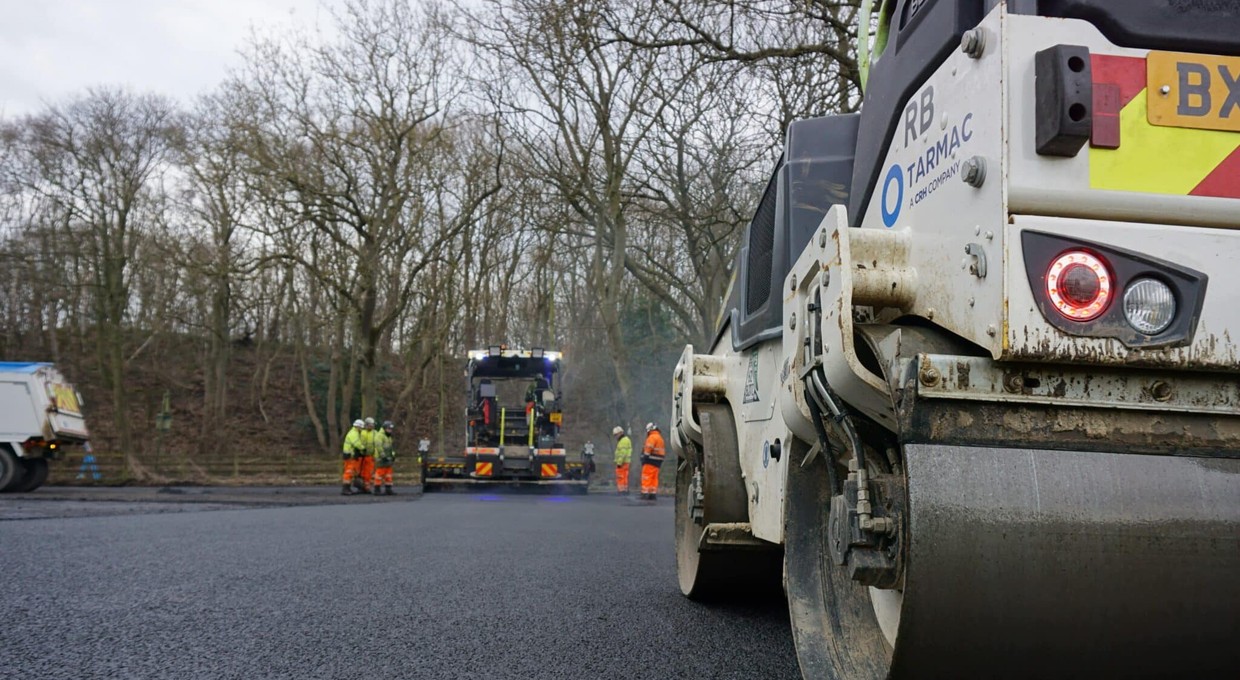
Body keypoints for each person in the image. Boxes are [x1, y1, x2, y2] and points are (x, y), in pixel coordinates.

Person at [640, 422, 665, 502]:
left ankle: (645, 493)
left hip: (650, 460)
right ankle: (652, 493)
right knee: (654, 478)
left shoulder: (652, 437)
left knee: (646, 476)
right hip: (658, 462)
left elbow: (648, 449)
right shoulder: (660, 438)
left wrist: (644, 458)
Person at [341, 419, 366, 495]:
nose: (362, 429)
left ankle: (347, 488)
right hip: (350, 456)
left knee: (351, 472)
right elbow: (357, 444)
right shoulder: (353, 434)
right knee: (349, 472)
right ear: (358, 427)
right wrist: (363, 448)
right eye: (361, 427)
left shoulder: (354, 433)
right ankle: (345, 488)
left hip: (351, 456)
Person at [372, 421, 397, 495]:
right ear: (385, 428)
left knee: (388, 474)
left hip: (387, 458)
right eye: (389, 429)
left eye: (391, 429)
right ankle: (377, 489)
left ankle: (388, 488)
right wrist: (383, 456)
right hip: (380, 458)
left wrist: (393, 455)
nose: (390, 430)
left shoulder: (388, 436)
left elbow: (390, 448)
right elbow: (379, 446)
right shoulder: (379, 435)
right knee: (379, 474)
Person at [357, 417, 377, 494]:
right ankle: (361, 487)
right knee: (360, 472)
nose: (371, 426)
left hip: (370, 456)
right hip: (361, 456)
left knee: (369, 472)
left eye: (372, 425)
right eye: (370, 425)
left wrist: (375, 455)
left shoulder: (375, 433)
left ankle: (367, 487)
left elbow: (376, 445)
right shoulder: (362, 432)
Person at [613, 426, 631, 496]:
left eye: (616, 435)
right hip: (626, 462)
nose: (616, 437)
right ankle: (624, 489)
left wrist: (619, 462)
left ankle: (621, 490)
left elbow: (622, 453)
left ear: (620, 433)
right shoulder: (625, 440)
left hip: (622, 462)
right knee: (624, 476)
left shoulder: (623, 441)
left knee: (620, 476)